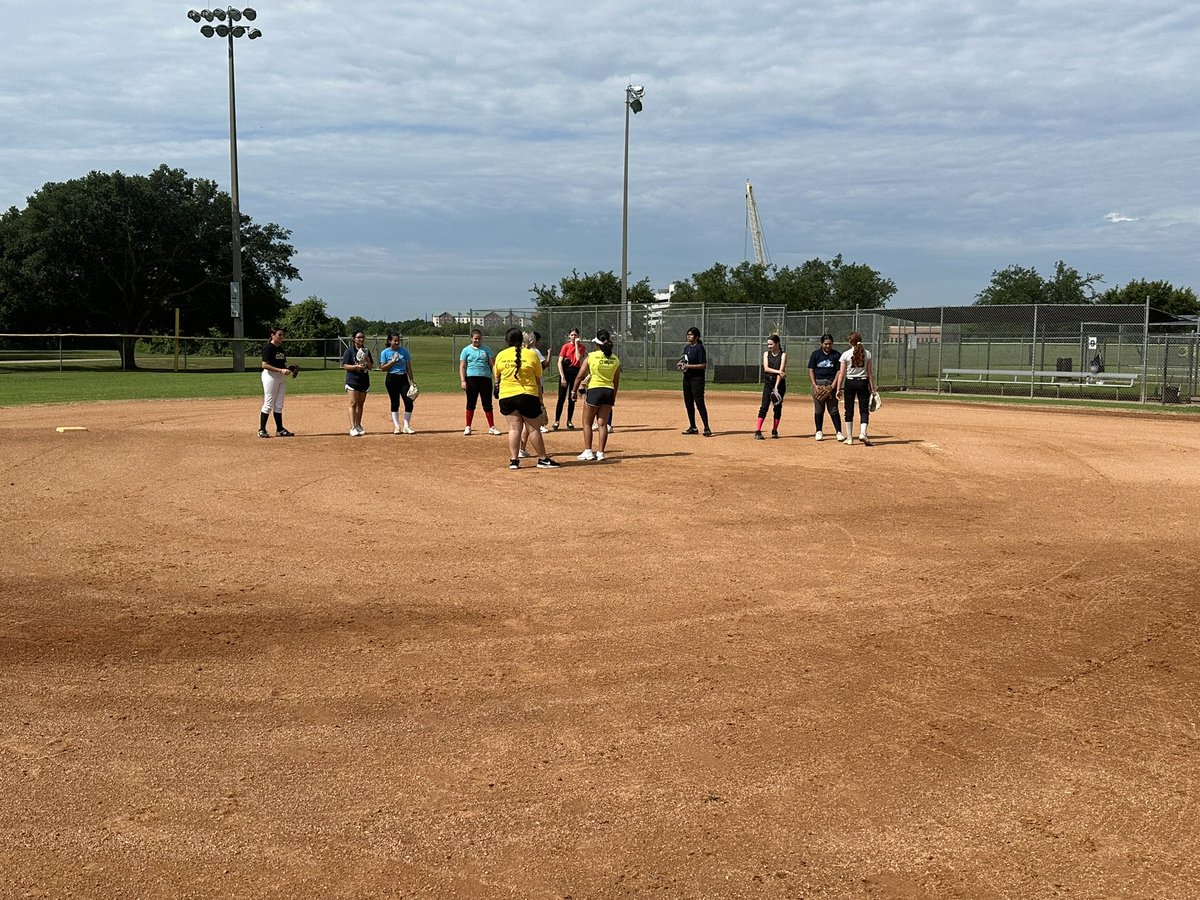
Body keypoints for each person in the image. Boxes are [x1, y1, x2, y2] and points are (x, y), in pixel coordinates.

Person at [493, 327, 560, 470]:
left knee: (514, 429)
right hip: (527, 395)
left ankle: (514, 461)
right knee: (534, 429)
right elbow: (537, 380)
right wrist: (541, 401)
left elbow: (497, 377)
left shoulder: (500, 355)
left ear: (507, 341)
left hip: (507, 396)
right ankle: (542, 459)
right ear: (522, 340)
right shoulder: (531, 354)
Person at [572, 329, 621, 461]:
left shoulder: (591, 356)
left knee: (587, 422)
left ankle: (588, 451)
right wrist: (613, 396)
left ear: (597, 344)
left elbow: (579, 376)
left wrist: (574, 391)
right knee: (602, 424)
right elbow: (616, 381)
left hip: (595, 390)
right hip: (609, 391)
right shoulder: (615, 359)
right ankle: (601, 453)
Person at [835, 331, 877, 446]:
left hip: (850, 382)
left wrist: (838, 389)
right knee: (864, 410)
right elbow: (869, 373)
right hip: (863, 382)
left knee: (849, 410)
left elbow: (841, 374)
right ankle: (863, 433)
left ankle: (849, 438)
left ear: (850, 342)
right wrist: (872, 388)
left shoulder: (845, 354)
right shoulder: (867, 353)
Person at [459, 329, 500, 436]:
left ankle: (492, 427)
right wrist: (463, 380)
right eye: (475, 338)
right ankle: (468, 427)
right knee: (471, 403)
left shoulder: (486, 350)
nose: (477, 340)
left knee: (487, 404)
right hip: (471, 379)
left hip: (485, 379)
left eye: (479, 338)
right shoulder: (466, 350)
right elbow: (462, 366)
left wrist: (496, 380)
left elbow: (492, 365)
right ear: (471, 338)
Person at [258, 327, 295, 438]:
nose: (281, 337)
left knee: (279, 404)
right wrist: (280, 370)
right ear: (272, 335)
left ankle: (280, 429)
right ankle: (262, 430)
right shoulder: (268, 348)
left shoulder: (281, 350)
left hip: (280, 377)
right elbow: (264, 365)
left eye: (282, 335)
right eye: (279, 334)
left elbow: (282, 365)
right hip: (270, 376)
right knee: (269, 403)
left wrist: (289, 368)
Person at [808, 333, 845, 442]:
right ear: (821, 343)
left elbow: (839, 371)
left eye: (829, 344)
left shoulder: (836, 355)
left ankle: (839, 432)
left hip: (830, 383)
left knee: (833, 409)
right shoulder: (816, 354)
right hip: (818, 383)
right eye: (825, 344)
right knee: (819, 409)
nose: (828, 346)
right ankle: (819, 431)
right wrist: (815, 385)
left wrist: (833, 385)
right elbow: (811, 370)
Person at [380, 332, 417, 434]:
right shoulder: (385, 352)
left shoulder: (404, 352)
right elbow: (383, 368)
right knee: (395, 402)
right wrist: (392, 361)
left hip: (403, 378)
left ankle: (406, 426)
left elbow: (408, 367)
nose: (397, 342)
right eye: (394, 340)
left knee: (409, 402)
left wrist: (412, 380)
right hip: (391, 378)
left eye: (398, 340)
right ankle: (397, 426)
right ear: (389, 341)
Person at [679, 326, 712, 436]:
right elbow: (684, 360)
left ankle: (706, 427)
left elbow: (703, 365)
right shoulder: (687, 348)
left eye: (691, 335)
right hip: (687, 378)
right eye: (688, 335)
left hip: (697, 379)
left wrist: (688, 366)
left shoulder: (699, 348)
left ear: (696, 336)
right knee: (688, 403)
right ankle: (693, 427)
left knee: (699, 403)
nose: (689, 336)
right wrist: (681, 364)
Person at [753, 334, 786, 440]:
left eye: (771, 344)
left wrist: (776, 387)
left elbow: (781, 373)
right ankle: (757, 431)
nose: (769, 346)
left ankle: (774, 430)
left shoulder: (783, 355)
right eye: (768, 344)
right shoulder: (766, 354)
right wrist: (778, 372)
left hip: (779, 384)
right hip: (768, 383)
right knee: (764, 406)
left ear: (777, 344)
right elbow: (766, 369)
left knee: (777, 407)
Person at [554, 328, 586, 430]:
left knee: (572, 398)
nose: (573, 337)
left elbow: (577, 358)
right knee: (561, 398)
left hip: (575, 373)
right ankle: (557, 421)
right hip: (565, 372)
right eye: (572, 335)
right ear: (569, 336)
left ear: (578, 336)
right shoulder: (565, 347)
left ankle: (569, 421)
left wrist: (576, 345)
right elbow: (559, 362)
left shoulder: (581, 347)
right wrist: (562, 376)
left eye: (575, 335)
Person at [341, 331, 373, 436]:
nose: (361, 339)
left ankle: (358, 425)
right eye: (358, 337)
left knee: (361, 404)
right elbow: (345, 365)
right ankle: (352, 427)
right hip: (353, 379)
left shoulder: (366, 350)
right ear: (354, 339)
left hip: (364, 380)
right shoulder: (349, 351)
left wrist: (367, 361)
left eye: (362, 337)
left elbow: (370, 367)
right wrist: (356, 367)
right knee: (353, 403)